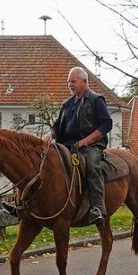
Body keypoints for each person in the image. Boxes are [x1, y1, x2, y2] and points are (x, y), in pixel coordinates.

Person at [48, 66, 113, 224]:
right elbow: (57, 125)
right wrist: (50, 135)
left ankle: (97, 207)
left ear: (84, 81)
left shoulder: (96, 100)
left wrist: (86, 141)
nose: (70, 84)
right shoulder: (67, 104)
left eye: (73, 81)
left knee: (91, 165)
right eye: (68, 81)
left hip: (90, 146)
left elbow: (106, 125)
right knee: (44, 162)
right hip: (65, 145)